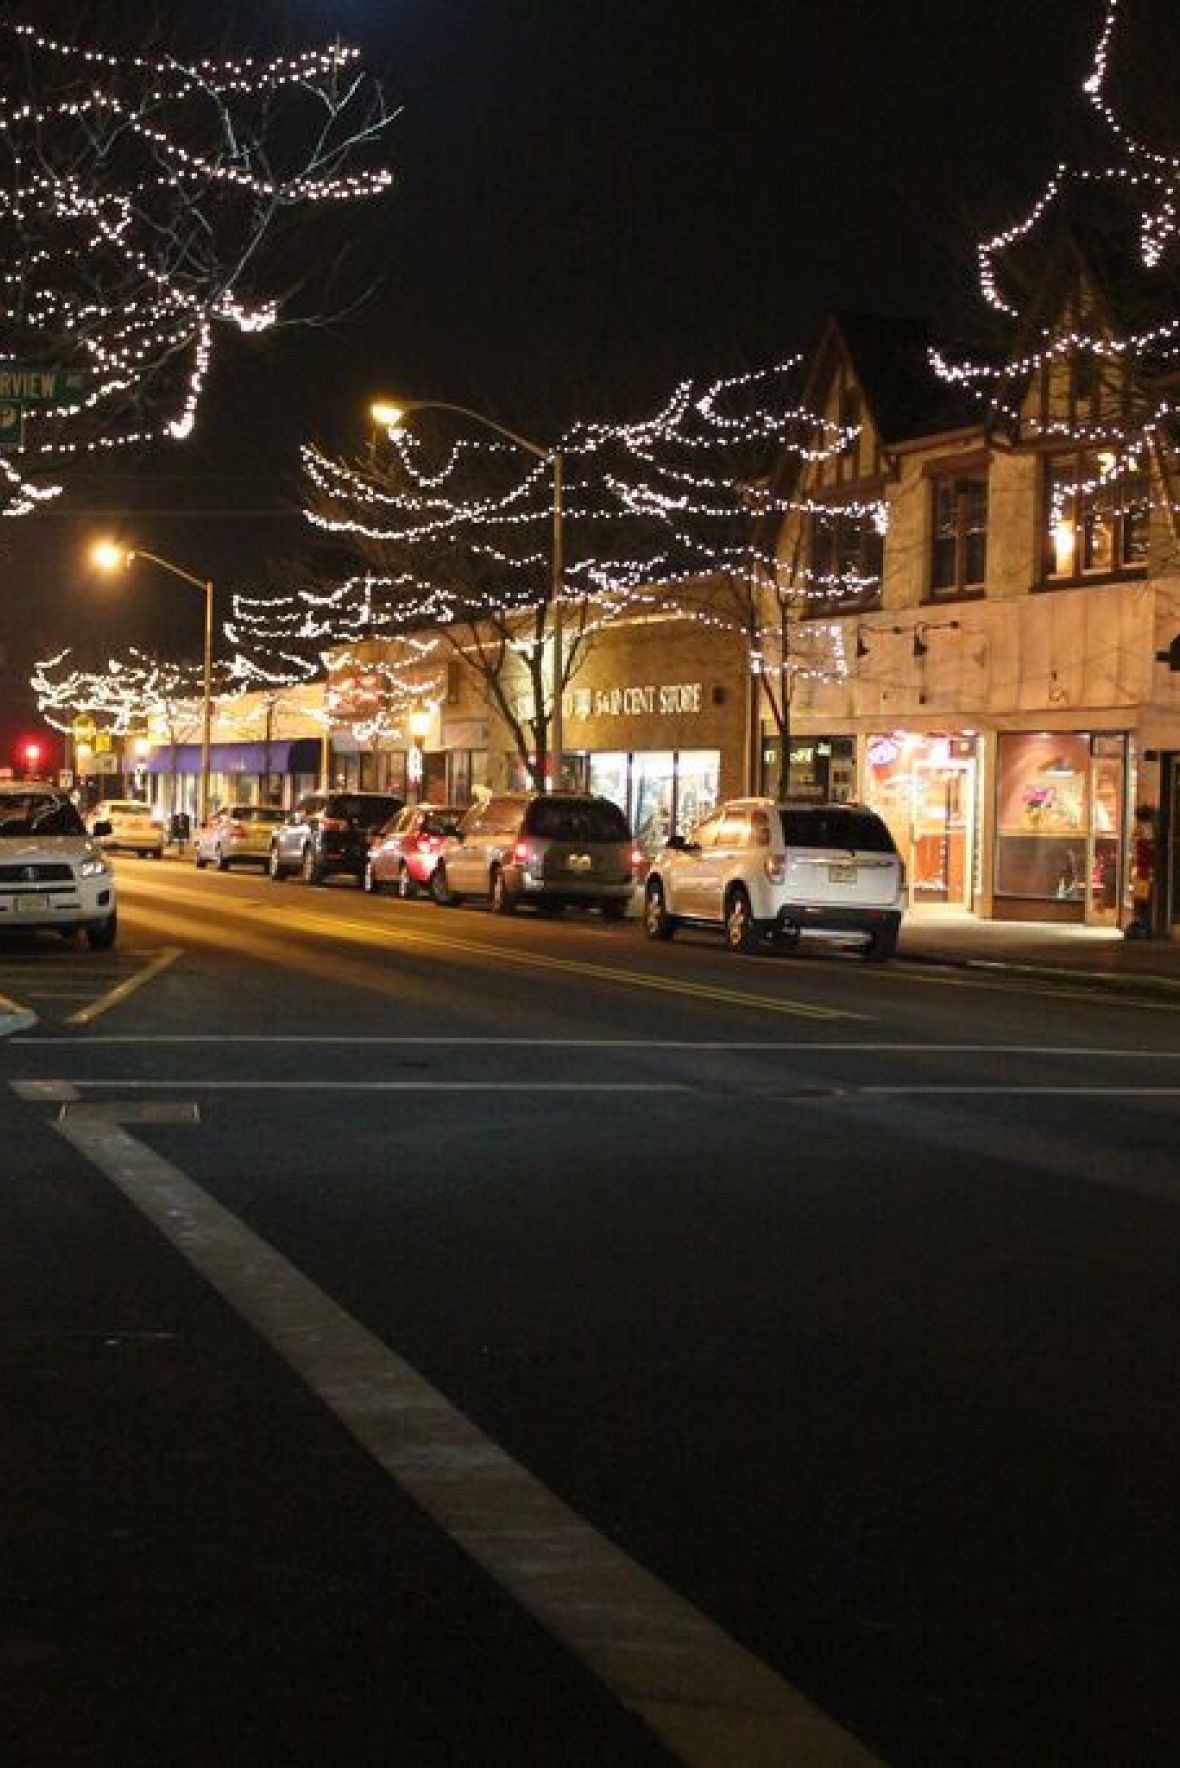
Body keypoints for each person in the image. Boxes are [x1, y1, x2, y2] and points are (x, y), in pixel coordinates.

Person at [1126, 804, 1156, 939]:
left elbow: (1142, 848)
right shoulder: (1147, 828)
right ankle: (1144, 926)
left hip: (1143, 871)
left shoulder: (1143, 828)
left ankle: (1141, 925)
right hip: (1145, 871)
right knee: (1143, 900)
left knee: (1141, 900)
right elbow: (1150, 847)